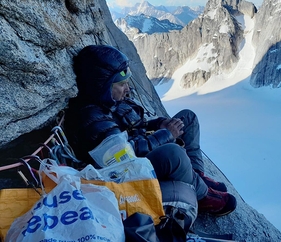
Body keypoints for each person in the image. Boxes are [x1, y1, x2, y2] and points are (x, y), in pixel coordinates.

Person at [65, 44, 236, 216]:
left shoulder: (109, 101)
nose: (128, 89)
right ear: (102, 85)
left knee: (188, 118)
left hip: (139, 152)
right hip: (129, 170)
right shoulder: (92, 118)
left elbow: (132, 126)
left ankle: (194, 176)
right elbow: (124, 156)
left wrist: (158, 124)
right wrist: (167, 134)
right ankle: (203, 196)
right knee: (173, 153)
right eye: (122, 84)